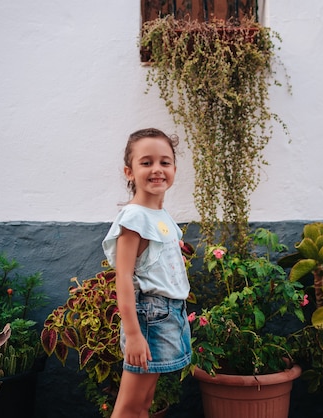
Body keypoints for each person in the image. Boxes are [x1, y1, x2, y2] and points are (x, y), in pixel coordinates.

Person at [102, 128, 192, 418]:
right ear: (129, 172)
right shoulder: (134, 217)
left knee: (144, 402)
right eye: (146, 162)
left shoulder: (160, 215)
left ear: (174, 169)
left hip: (168, 313)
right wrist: (134, 333)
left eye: (165, 162)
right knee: (130, 407)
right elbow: (123, 277)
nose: (157, 169)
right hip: (148, 317)